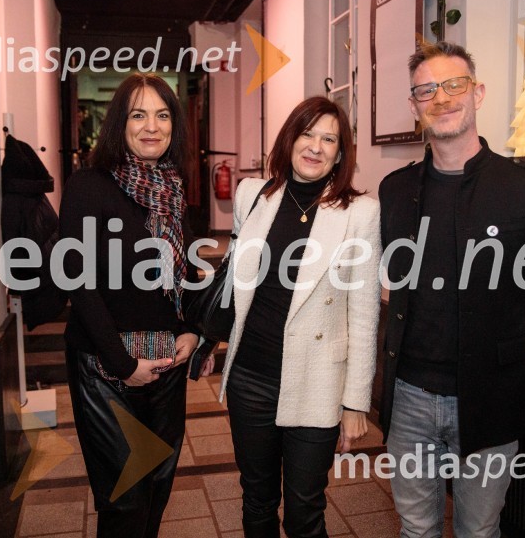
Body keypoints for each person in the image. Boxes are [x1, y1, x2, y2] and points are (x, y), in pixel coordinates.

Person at [378, 42, 525, 538]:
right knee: (416, 528)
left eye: (453, 85)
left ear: (478, 93)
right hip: (409, 396)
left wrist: (500, 338)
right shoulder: (394, 190)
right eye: (426, 90)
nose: (440, 98)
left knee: (479, 530)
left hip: (490, 394)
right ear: (414, 105)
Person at [219, 96, 381, 538]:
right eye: (307, 133)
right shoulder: (253, 194)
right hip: (250, 376)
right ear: (289, 139)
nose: (316, 146)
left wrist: (354, 403)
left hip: (317, 381)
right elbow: (236, 276)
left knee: (305, 510)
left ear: (342, 152)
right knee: (256, 499)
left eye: (329, 138)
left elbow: (364, 314)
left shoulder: (360, 213)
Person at [59, 73, 212, 538]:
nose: (152, 126)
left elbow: (179, 272)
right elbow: (77, 280)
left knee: (158, 486)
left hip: (165, 359)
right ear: (118, 124)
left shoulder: (172, 189)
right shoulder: (90, 185)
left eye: (163, 115)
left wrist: (192, 329)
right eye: (138, 114)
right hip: (106, 365)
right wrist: (123, 363)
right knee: (124, 498)